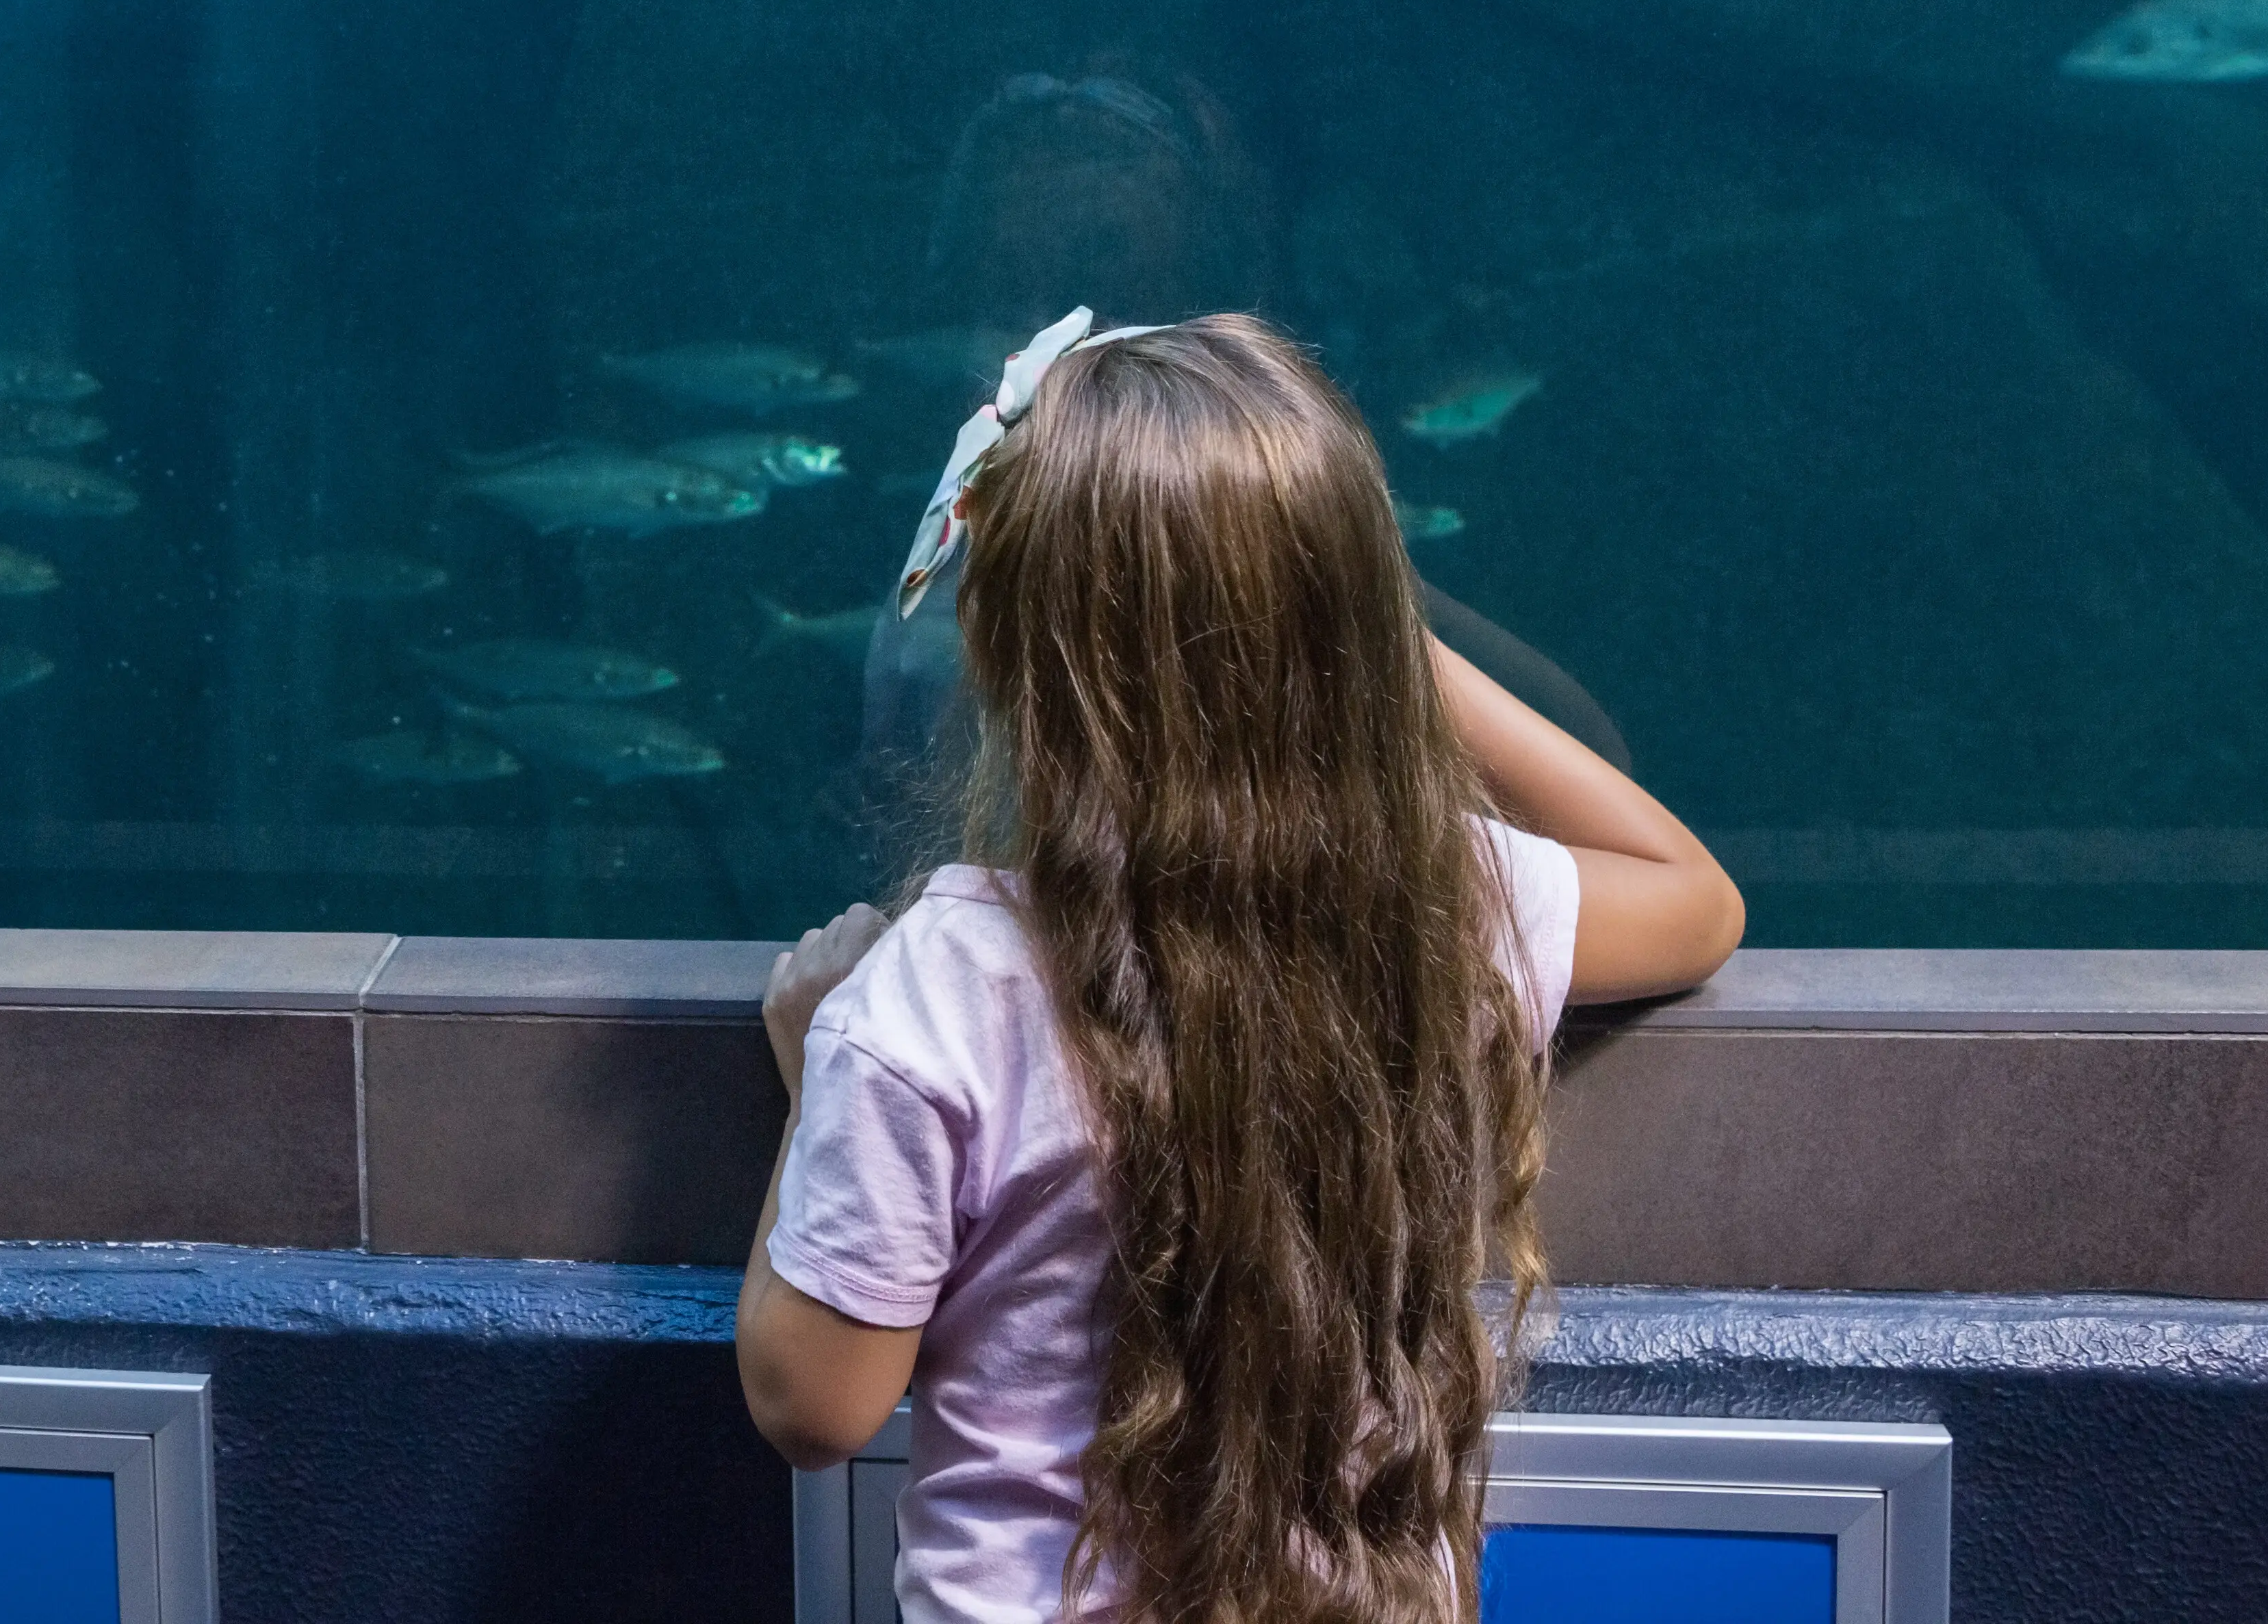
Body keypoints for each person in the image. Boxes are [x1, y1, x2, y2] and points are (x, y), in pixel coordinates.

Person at [742, 312, 1742, 1624]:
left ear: (1012, 655)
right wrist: (1347, 618)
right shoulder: (1427, 906)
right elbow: (1694, 900)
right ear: (1357, 619)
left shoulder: (932, 991)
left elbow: (813, 1404)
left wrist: (818, 1075)